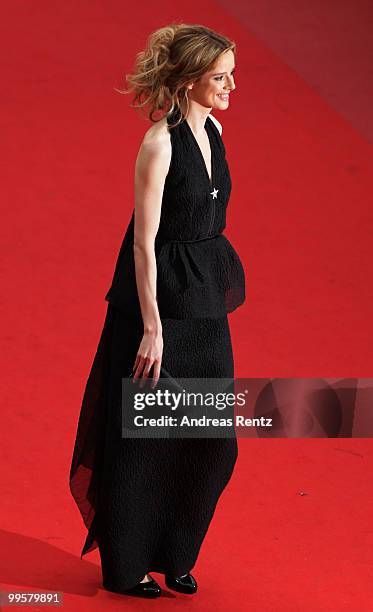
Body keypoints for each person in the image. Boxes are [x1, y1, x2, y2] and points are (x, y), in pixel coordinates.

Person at [69, 22, 245, 599]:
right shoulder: (158, 144)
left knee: (214, 438)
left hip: (202, 302)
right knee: (146, 437)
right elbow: (143, 243)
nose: (230, 86)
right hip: (157, 308)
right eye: (220, 77)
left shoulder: (214, 129)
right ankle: (126, 566)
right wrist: (151, 328)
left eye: (230, 75)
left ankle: (177, 553)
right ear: (191, 79)